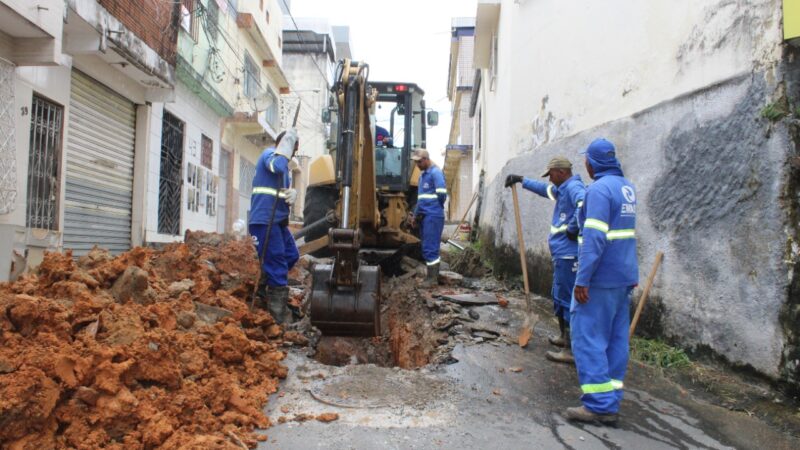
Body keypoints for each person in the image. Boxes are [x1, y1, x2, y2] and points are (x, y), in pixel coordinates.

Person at [564, 138, 638, 423]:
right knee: (616, 340)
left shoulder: (598, 190)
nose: (585, 164)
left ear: (592, 163)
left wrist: (583, 279)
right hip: (623, 278)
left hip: (599, 279)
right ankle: (611, 399)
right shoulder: (627, 188)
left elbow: (594, 238)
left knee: (588, 337)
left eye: (586, 160)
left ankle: (597, 404)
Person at [505, 156, 586, 364]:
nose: (549, 179)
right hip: (561, 254)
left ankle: (571, 349)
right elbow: (545, 190)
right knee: (558, 296)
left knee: (568, 299)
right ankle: (562, 336)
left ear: (560, 172)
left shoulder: (574, 187)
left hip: (570, 255)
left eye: (550, 174)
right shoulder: (562, 188)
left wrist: (573, 228)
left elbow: (584, 203)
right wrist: (522, 180)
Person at [249, 129, 301, 324]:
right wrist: (286, 144)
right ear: (283, 145)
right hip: (264, 221)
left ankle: (265, 285)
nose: (292, 155)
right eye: (291, 149)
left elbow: (279, 187)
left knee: (291, 255)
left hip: (277, 222)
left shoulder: (285, 168)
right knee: (277, 262)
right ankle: (278, 315)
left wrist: (291, 194)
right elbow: (278, 165)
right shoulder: (269, 155)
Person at [409, 149, 447, 287]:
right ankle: (431, 277)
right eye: (415, 162)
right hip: (425, 215)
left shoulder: (435, 173)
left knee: (431, 247)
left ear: (426, 159)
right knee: (426, 247)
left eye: (419, 162)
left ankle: (432, 280)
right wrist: (415, 215)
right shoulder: (422, 176)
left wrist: (435, 207)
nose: (417, 165)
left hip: (433, 216)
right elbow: (420, 200)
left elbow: (442, 193)